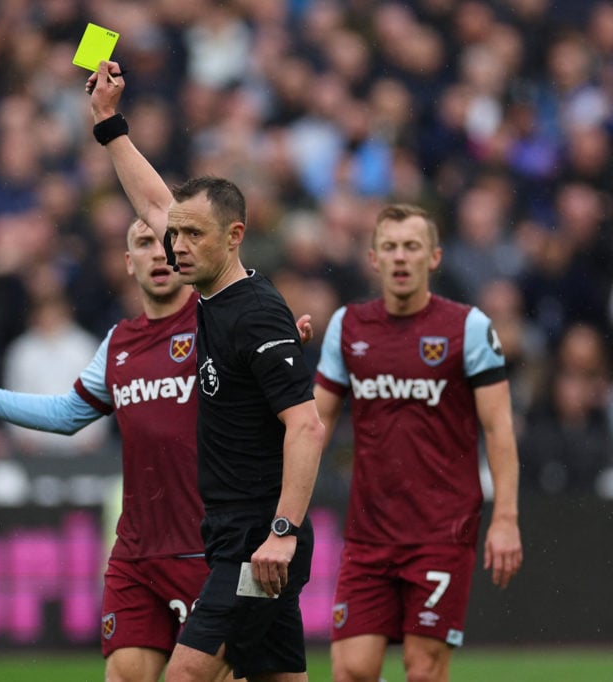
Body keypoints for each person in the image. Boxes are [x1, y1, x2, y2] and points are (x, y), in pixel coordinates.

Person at [87, 61, 326, 682]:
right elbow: (154, 201)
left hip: (258, 543)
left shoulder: (254, 313)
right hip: (232, 535)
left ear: (235, 236)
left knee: (186, 675)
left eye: (193, 235)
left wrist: (282, 532)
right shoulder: (219, 300)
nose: (177, 245)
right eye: (175, 234)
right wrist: (109, 124)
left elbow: (307, 428)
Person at [0, 218, 207, 682]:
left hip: (207, 546)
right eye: (143, 243)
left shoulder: (212, 323)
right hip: (137, 550)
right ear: (128, 263)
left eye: (165, 243)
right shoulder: (119, 344)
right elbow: (67, 414)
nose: (158, 254)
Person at [312, 203, 524, 682]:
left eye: (412, 247)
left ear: (434, 258)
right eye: (390, 247)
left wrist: (506, 518)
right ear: (373, 259)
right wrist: (282, 504)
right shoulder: (348, 326)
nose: (400, 257)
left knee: (423, 669)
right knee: (351, 670)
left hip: (440, 533)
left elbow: (499, 429)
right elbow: (315, 424)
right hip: (369, 533)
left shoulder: (468, 328)